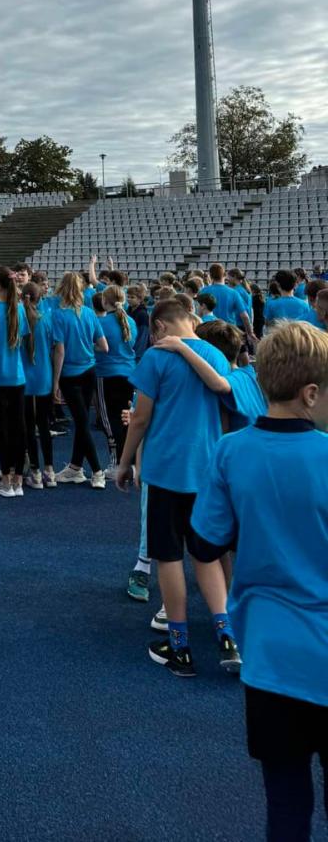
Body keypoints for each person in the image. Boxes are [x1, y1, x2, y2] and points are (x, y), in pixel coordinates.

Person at [190, 322, 328, 842]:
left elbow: (205, 543)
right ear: (310, 394)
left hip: (270, 658)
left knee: (286, 804)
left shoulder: (231, 452)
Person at [116, 299, 242, 677]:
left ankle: (180, 645)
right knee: (207, 555)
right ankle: (227, 635)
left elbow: (140, 418)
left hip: (167, 470)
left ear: (158, 327)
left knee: (169, 557)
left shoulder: (156, 357)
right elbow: (224, 413)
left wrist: (125, 462)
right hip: (206, 470)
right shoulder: (216, 356)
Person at [51, 272, 108, 488]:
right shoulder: (89, 313)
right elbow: (103, 346)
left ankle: (97, 470)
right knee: (82, 421)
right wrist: (86, 349)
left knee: (82, 424)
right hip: (89, 370)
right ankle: (75, 467)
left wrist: (55, 381)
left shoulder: (58, 315)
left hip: (70, 375)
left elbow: (60, 351)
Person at [0, 266, 30, 498]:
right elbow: (24, 339)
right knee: (18, 427)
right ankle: (18, 479)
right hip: (16, 375)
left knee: (2, 429)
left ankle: (6, 479)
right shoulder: (19, 308)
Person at [95, 285, 138, 473]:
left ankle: (117, 463)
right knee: (126, 419)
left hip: (107, 373)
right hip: (129, 373)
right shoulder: (130, 321)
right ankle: (130, 462)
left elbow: (97, 346)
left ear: (105, 301)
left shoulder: (101, 323)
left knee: (109, 421)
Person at [21, 281, 55, 488]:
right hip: (43, 375)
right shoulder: (46, 319)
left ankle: (34, 471)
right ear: (39, 298)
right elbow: (54, 347)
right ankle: (49, 470)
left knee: (28, 425)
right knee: (43, 425)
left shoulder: (19, 319)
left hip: (24, 377)